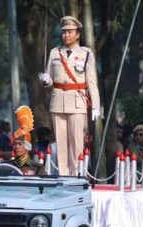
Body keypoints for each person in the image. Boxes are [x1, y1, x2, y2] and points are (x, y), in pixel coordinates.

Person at [39, 16, 101, 176]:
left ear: (78, 34)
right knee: (60, 143)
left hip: (77, 102)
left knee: (76, 143)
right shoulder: (54, 53)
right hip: (58, 101)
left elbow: (92, 82)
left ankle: (77, 176)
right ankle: (63, 176)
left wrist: (95, 106)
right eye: (64, 32)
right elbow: (50, 79)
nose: (66, 35)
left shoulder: (86, 54)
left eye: (69, 32)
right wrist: (46, 81)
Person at [5, 107, 46, 176]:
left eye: (20, 144)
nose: (17, 147)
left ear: (27, 146)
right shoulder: (6, 167)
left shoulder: (37, 168)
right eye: (15, 144)